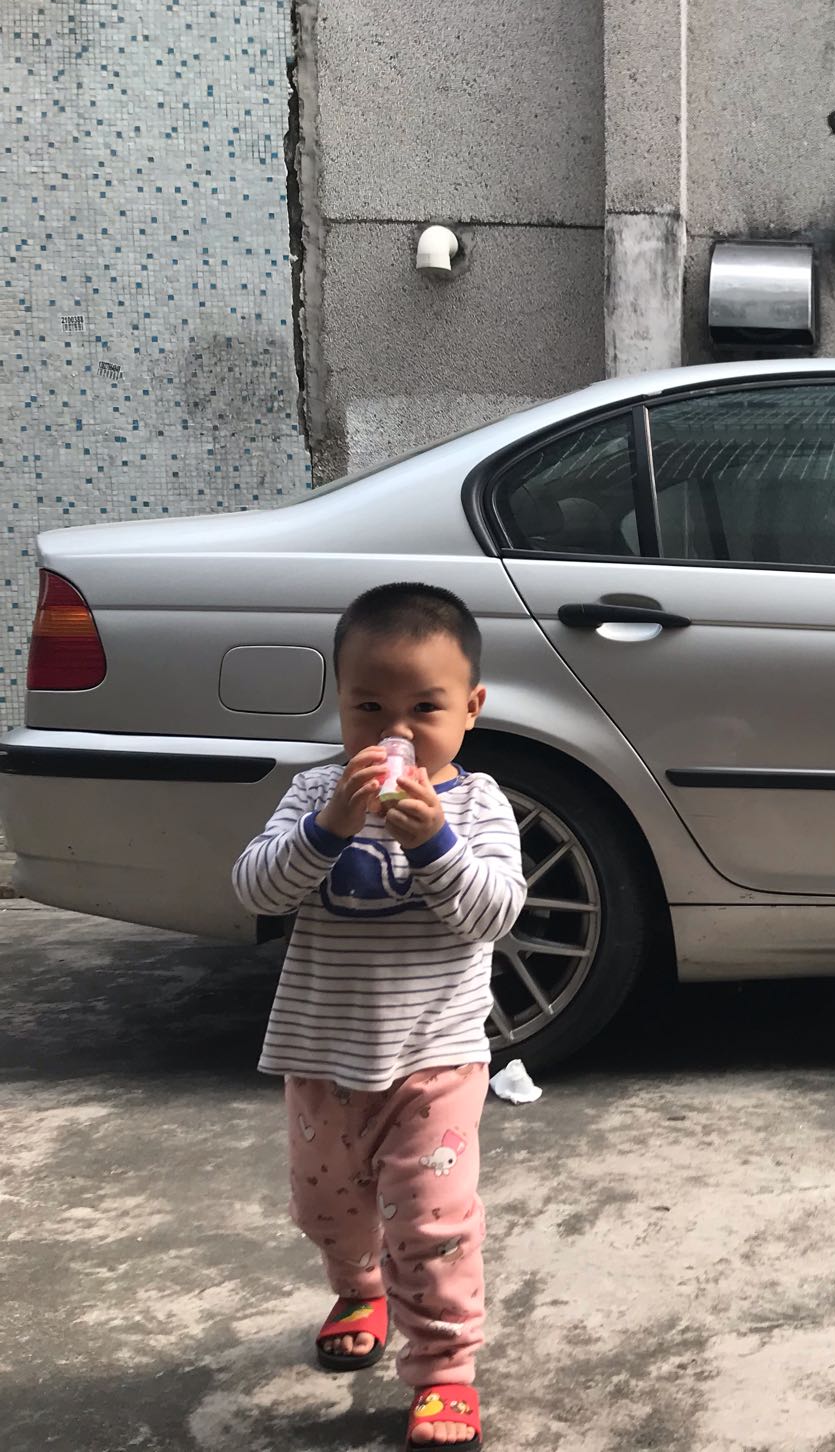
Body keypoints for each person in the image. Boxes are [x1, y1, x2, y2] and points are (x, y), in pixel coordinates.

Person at [233, 582, 525, 1450]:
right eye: (369, 707)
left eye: (424, 708)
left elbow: (491, 914)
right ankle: (359, 1287)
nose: (395, 731)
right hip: (324, 1057)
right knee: (327, 1207)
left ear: (470, 709)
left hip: (436, 1060)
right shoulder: (314, 794)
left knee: (433, 1223)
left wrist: (433, 841)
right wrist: (329, 825)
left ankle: (443, 1371)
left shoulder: (478, 806)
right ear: (340, 704)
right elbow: (255, 888)